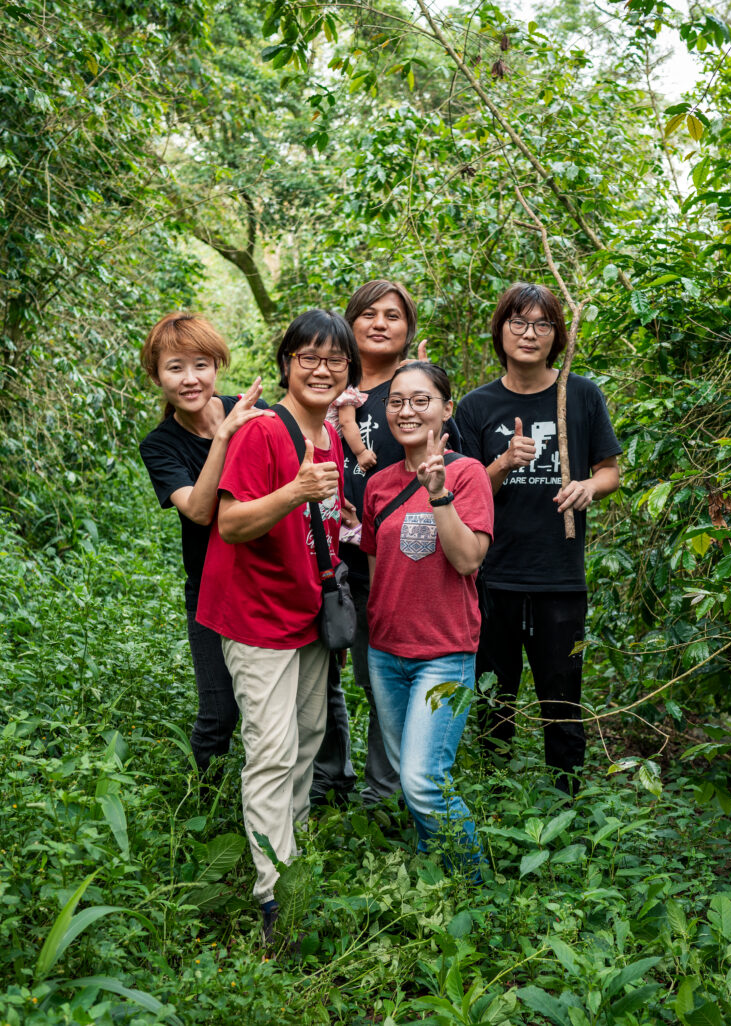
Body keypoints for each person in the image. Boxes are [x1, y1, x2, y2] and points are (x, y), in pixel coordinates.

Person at [196, 309, 356, 941]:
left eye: (333, 359)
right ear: (287, 361)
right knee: (271, 750)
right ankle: (273, 897)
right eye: (308, 356)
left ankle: (292, 854)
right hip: (256, 613)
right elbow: (230, 523)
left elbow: (322, 522)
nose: (321, 368)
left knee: (310, 735)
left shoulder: (331, 435)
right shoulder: (264, 431)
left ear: (346, 372)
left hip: (307, 608)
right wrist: (294, 492)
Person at [453, 283, 621, 795]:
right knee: (493, 698)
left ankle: (568, 802)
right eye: (518, 323)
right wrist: (503, 463)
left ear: (557, 335)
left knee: (563, 698)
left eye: (542, 324)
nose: (529, 334)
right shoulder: (476, 406)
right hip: (494, 574)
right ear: (500, 330)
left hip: (560, 576)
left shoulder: (581, 394)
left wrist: (588, 487)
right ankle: (496, 799)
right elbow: (462, 490)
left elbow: (610, 471)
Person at [311, 281, 437, 807]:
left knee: (382, 678)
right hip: (322, 558)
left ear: (408, 328)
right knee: (320, 675)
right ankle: (325, 782)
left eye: (393, 315)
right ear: (349, 323)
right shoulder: (323, 383)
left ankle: (381, 795)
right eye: (367, 313)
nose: (379, 323)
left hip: (390, 563)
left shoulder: (414, 394)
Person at [361, 363, 492, 864]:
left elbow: (467, 560)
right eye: (396, 401)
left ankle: (477, 885)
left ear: (445, 408)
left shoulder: (467, 474)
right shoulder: (378, 484)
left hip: (444, 654)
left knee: (422, 780)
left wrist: (439, 493)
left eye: (421, 400)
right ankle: (433, 876)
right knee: (408, 772)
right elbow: (379, 569)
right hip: (386, 653)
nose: (406, 410)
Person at [137, 313, 271, 778]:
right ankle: (202, 804)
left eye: (201, 364)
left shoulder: (255, 412)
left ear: (217, 365)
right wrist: (226, 434)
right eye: (175, 368)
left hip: (269, 579)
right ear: (156, 376)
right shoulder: (161, 445)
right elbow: (197, 510)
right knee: (220, 712)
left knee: (280, 707)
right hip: (212, 589)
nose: (190, 379)